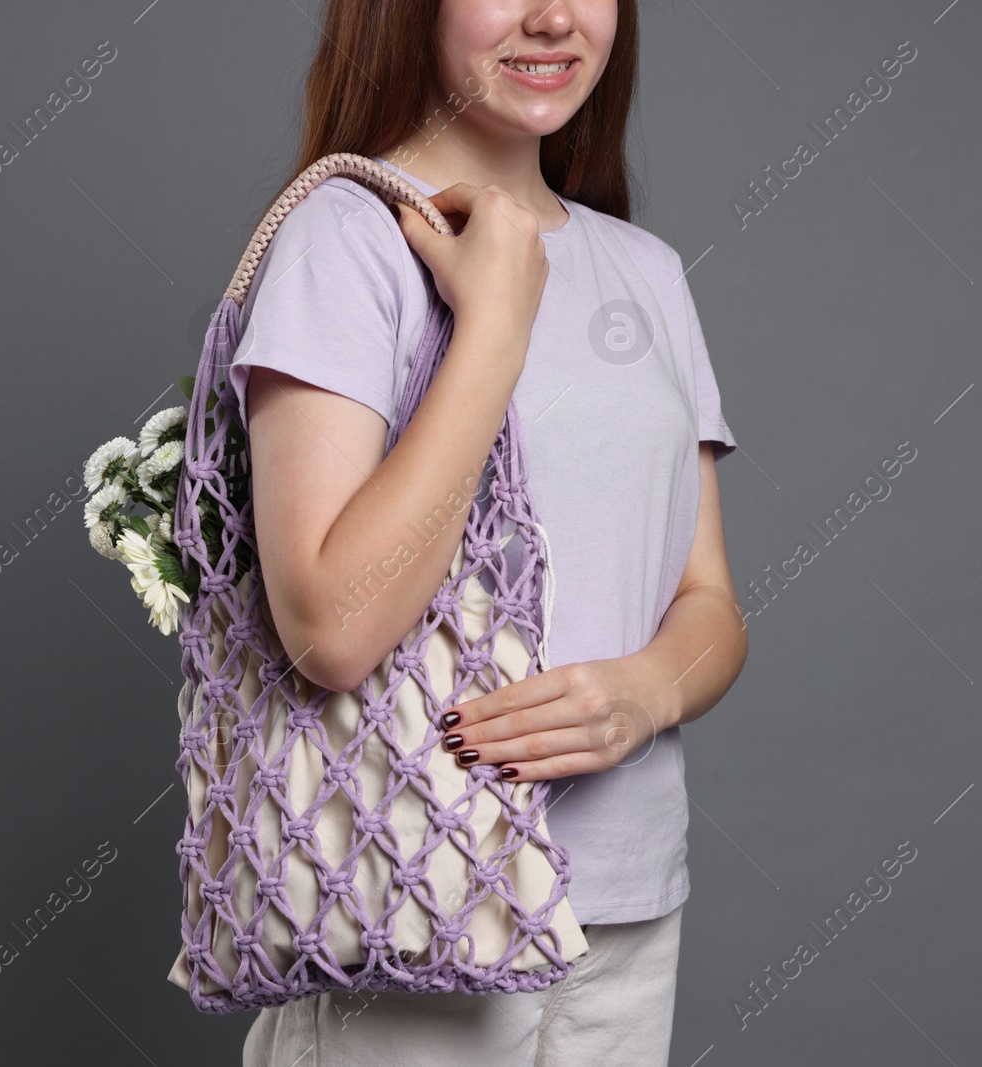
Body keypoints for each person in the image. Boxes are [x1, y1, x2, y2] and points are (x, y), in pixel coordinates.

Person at [229, 1, 748, 1062]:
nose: (554, 16)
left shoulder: (645, 272)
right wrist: (497, 322)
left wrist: (645, 691)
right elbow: (332, 626)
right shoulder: (347, 237)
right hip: (414, 891)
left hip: (628, 902)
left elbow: (709, 602)